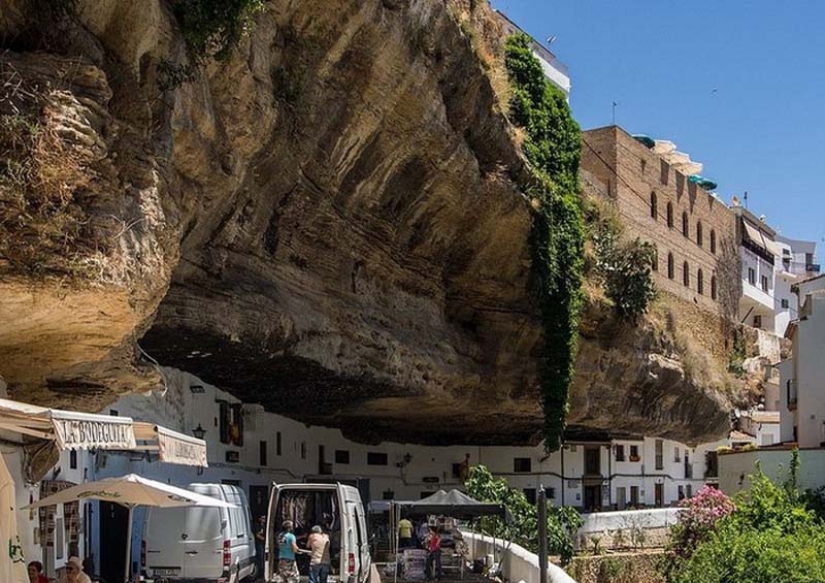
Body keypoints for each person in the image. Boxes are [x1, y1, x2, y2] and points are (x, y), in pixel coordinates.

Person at [255, 515, 267, 580]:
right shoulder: (257, 526)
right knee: (260, 558)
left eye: (264, 518)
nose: (264, 520)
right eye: (262, 518)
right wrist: (265, 540)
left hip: (263, 544)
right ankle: (260, 573)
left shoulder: (265, 526)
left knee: (263, 558)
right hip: (259, 544)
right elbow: (257, 535)